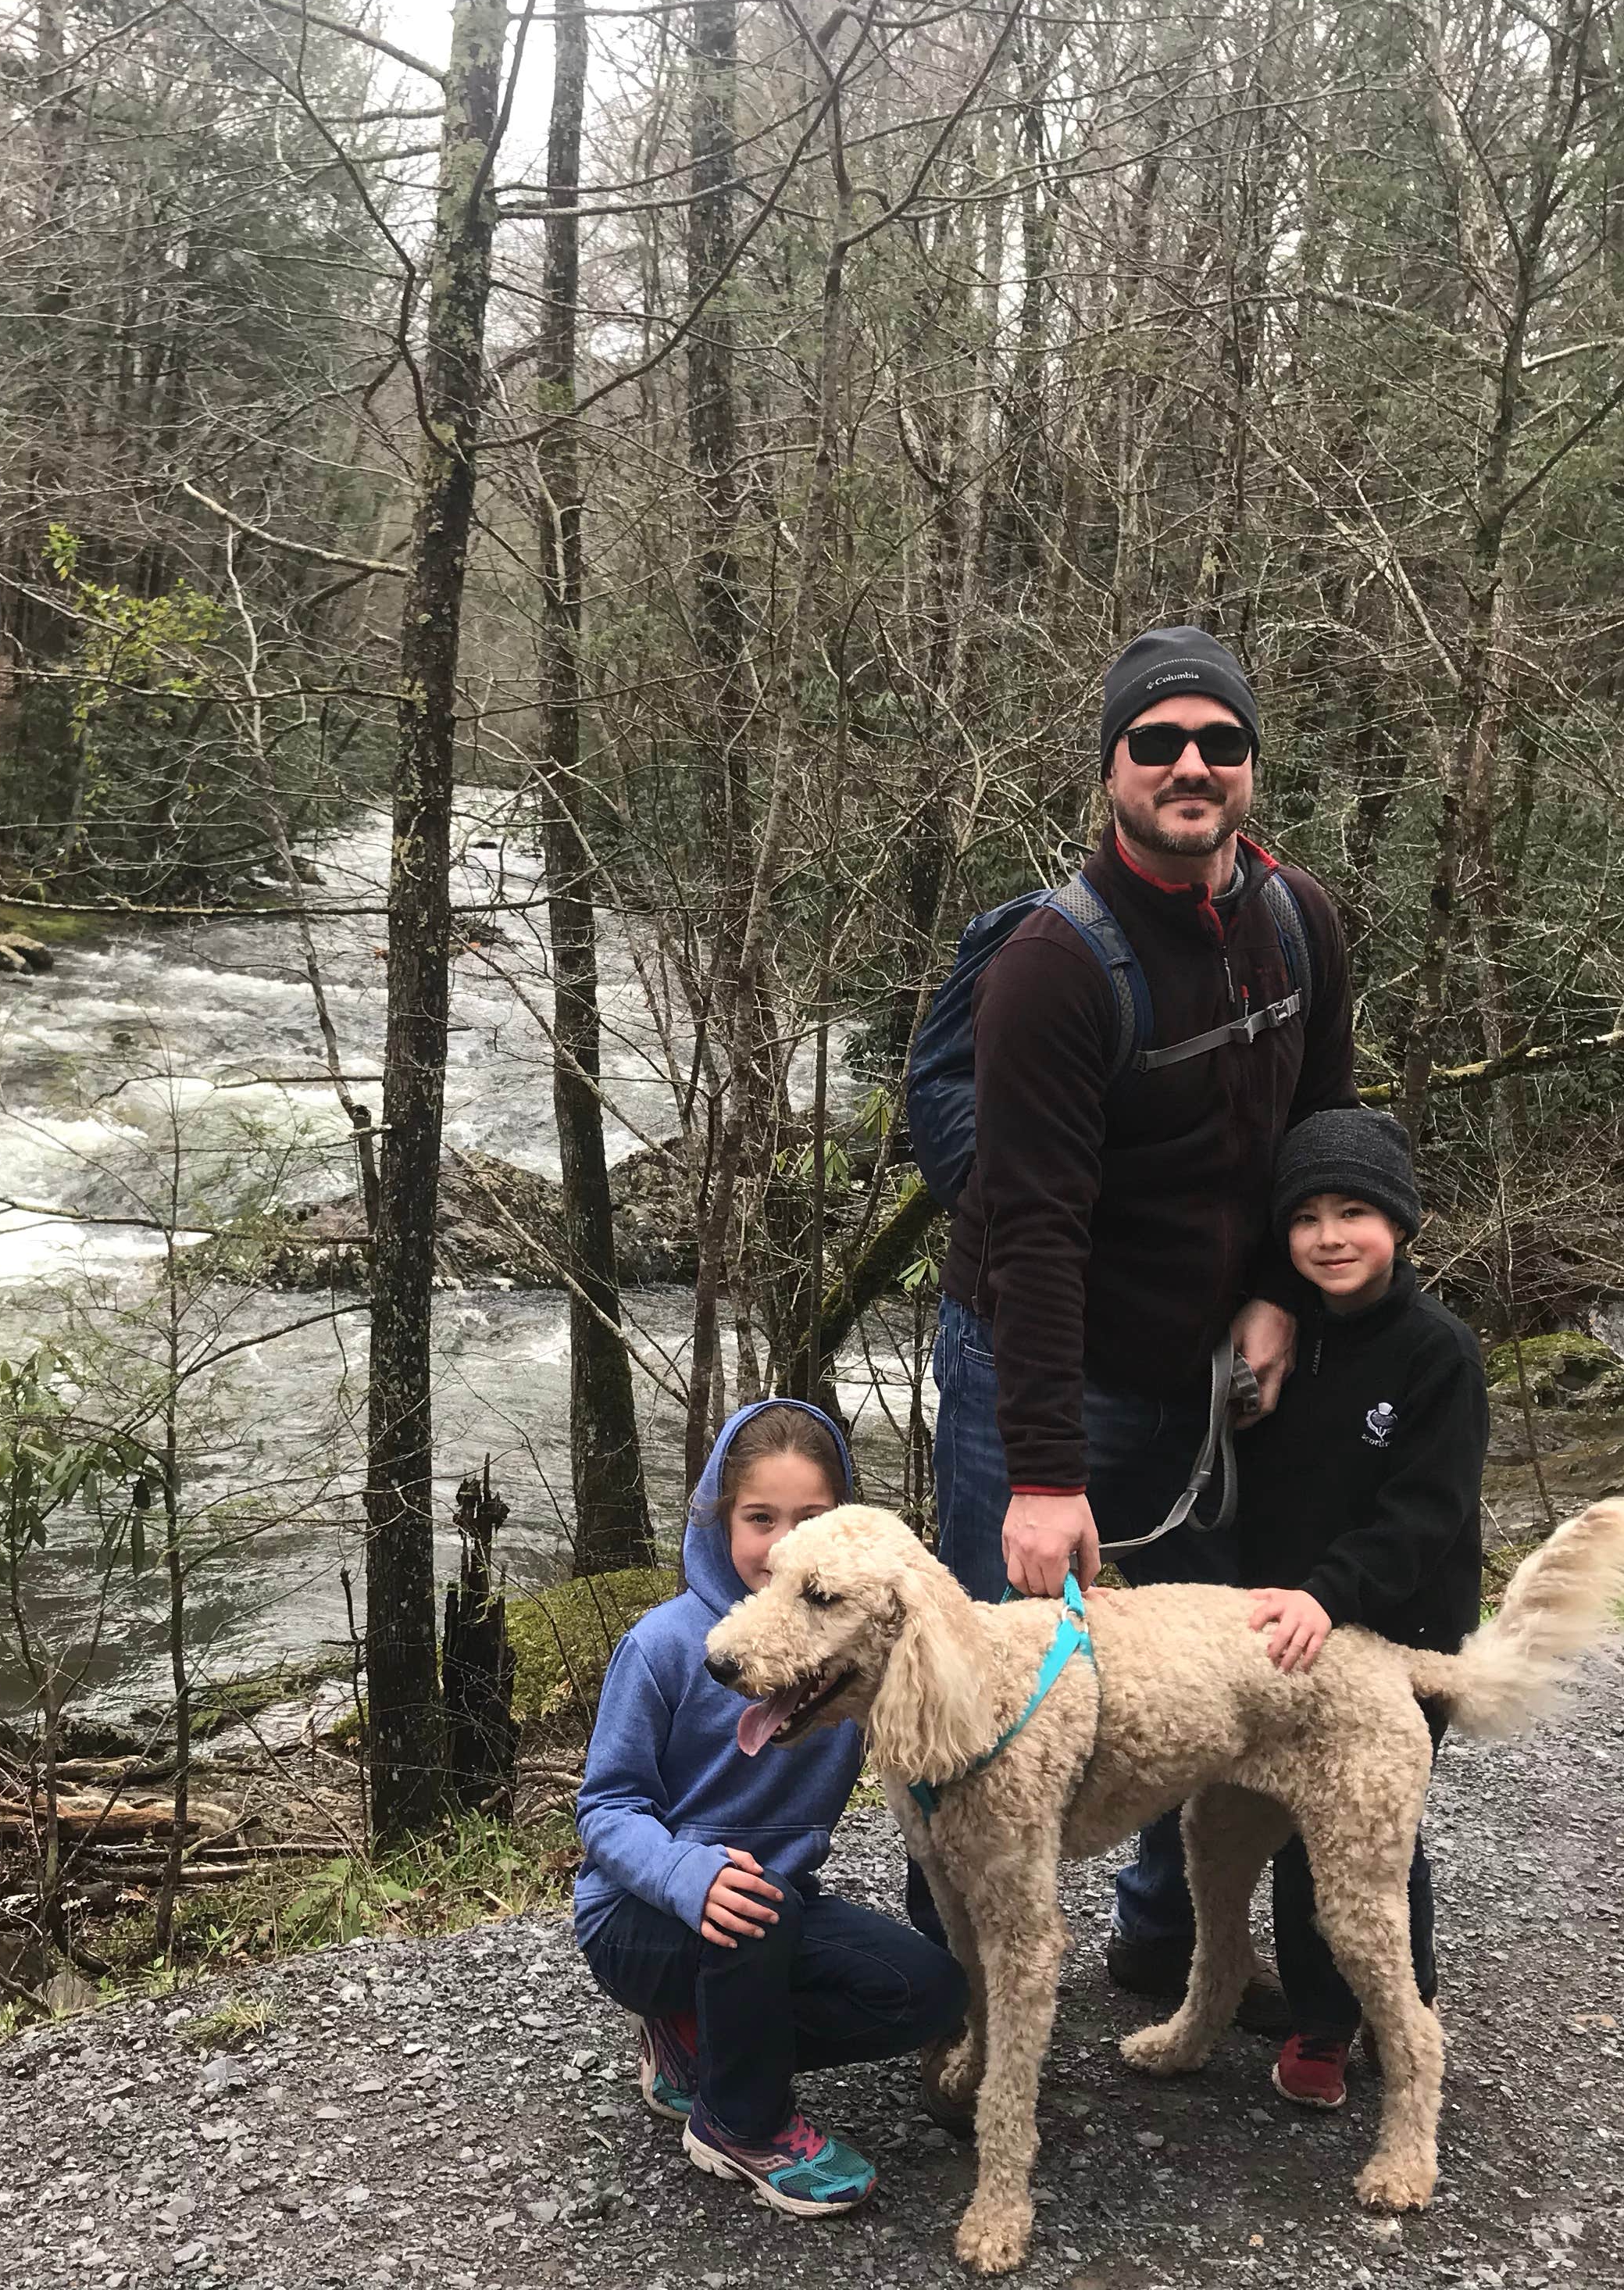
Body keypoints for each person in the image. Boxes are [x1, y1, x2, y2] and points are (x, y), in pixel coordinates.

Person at [932, 623, 1358, 1995]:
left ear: (1249, 766)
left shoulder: (1300, 924)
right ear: (1109, 766)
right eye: (1157, 742)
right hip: (1046, 1374)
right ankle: (961, 1998)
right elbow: (1030, 1227)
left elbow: (1321, 1135)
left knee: (1192, 1688)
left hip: (1212, 1373)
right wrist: (1047, 1471)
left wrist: (1282, 1297)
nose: (1191, 764)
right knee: (986, 1704)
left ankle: (1175, 1952)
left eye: (1219, 742)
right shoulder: (1055, 965)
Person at [575, 1400, 967, 2219]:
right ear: (719, 1520)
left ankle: (700, 2048)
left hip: (776, 1909)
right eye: (761, 1518)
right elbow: (607, 1808)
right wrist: (689, 1873)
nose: (784, 1543)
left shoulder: (852, 1651)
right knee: (760, 1905)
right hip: (640, 1918)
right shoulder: (664, 1645)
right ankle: (740, 2123)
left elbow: (938, 1714)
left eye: (812, 1520)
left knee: (929, 1989)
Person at [1233, 1107, 1485, 2108]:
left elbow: (1425, 1513)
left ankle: (1393, 2012)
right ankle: (1323, 2018)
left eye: (1355, 1212)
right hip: (1291, 1631)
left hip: (1399, 1630)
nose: (1330, 1237)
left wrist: (1329, 1596)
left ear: (1402, 1223)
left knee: (1371, 1830)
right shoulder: (1283, 1343)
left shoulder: (1439, 1353)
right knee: (1296, 1824)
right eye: (1306, 1218)